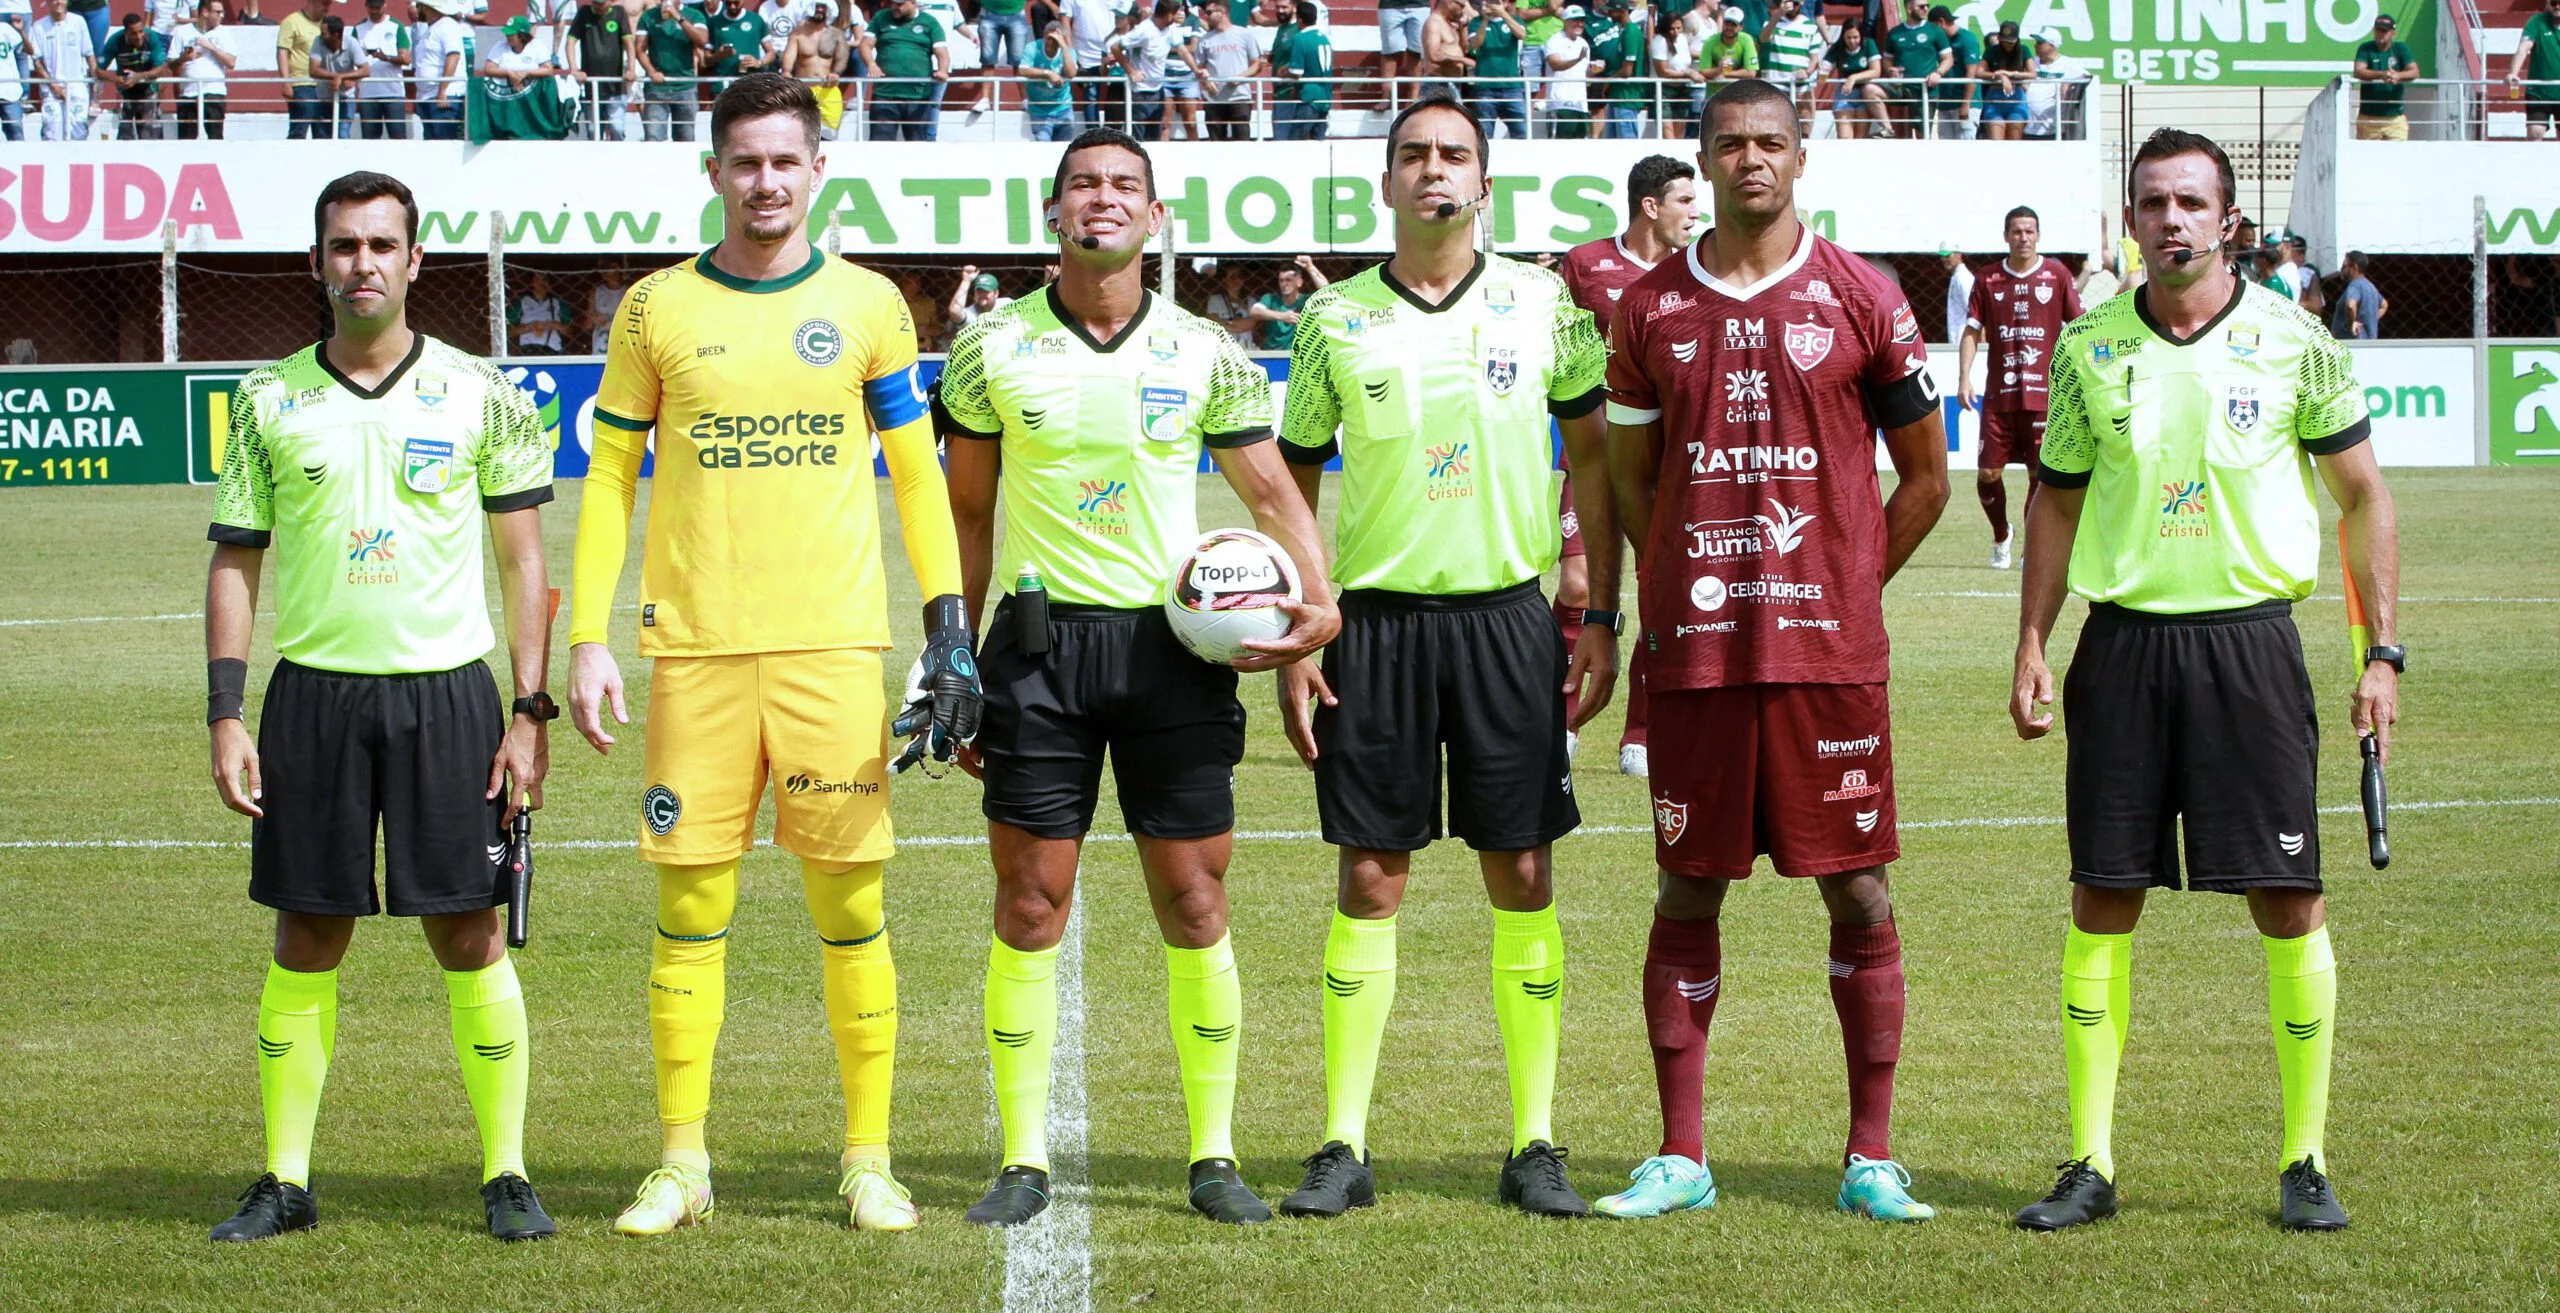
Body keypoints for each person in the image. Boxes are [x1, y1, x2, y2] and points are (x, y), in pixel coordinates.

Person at [570, 73, 972, 1238]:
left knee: (852, 907)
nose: (764, 181)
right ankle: (683, 1163)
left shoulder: (871, 305)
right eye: (743, 162)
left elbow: (913, 472)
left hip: (832, 650)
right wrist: (587, 635)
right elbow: (605, 476)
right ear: (714, 173)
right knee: (691, 908)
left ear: (816, 170)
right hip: (693, 652)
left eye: (783, 162)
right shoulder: (653, 309)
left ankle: (869, 1160)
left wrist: (948, 624)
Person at [938, 126, 1338, 1230]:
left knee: (1196, 899)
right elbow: (965, 511)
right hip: (1038, 654)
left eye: (1124, 187)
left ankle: (1212, 1153)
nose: (1101, 200)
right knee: (1028, 904)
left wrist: (1322, 600)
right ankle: (1022, 1157)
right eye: (1082, 186)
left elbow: (1270, 498)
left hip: (1177, 653)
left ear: (1155, 219)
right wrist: (953, 648)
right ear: (1053, 213)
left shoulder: (1207, 349)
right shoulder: (989, 347)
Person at [2009, 126, 2400, 1236]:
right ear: (2127, 221)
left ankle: (2305, 1158)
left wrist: (2379, 649)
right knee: (2102, 891)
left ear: (2226, 220)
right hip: (2122, 645)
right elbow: (2056, 498)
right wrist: (2032, 640)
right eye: (2150, 203)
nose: (2169, 220)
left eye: (2190, 203)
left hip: (2250, 649)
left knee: (2289, 897)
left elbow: (2363, 495)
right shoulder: (2085, 347)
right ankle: (2087, 1159)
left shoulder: (2297, 340)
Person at [1596, 76, 1949, 1223]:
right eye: (1729, 144)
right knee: (1686, 879)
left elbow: (1928, 477)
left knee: (1855, 886)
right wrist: (1679, 591)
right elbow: (1631, 481)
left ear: (1802, 157)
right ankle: (1681, 1154)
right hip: (1698, 653)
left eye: (1770, 143)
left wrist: (1843, 586)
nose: (1751, 161)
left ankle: (1871, 1155)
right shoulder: (1649, 307)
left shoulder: (1863, 295)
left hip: (1826, 657)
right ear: (1701, 161)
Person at [1273, 92, 1616, 1222]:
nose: (1433, 172)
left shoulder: (1544, 302)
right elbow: (1293, 480)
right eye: (1412, 155)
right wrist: (1300, 623)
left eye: (1454, 156)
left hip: (1508, 621)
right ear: (1385, 182)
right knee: (1371, 873)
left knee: (1520, 869)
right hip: (1370, 625)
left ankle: (1534, 1141)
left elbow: (1597, 461)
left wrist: (1599, 606)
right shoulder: (1334, 322)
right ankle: (1342, 1141)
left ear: (1484, 182)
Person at [205, 169, 560, 1245]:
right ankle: (285, 1177)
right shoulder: (267, 398)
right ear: (315, 261)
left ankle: (505, 1171)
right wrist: (226, 710)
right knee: (307, 929)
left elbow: (525, 559)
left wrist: (528, 709)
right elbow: (236, 562)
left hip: (450, 696)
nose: (362, 262)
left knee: (469, 927)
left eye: (381, 244)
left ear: (416, 261)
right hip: (312, 696)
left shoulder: (481, 391)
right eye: (343, 245)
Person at [1559, 154, 1694, 779]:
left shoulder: (1695, 273)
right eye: (1684, 203)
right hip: (1594, 453)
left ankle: (1639, 731)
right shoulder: (1585, 265)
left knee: (1659, 589)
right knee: (1578, 587)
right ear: (1651, 207)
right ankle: (1563, 721)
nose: (1694, 215)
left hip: (1665, 461)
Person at [1958, 205, 2079, 570]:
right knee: (1987, 475)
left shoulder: (2056, 274)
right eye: (2016, 231)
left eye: (2029, 231)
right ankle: (2001, 535)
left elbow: (2078, 327)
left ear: (2038, 235)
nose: (2023, 238)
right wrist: (1964, 377)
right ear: (2006, 236)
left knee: (2037, 477)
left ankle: (2031, 550)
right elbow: (1972, 331)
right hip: (2000, 395)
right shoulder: (1989, 278)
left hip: (2045, 397)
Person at [862, 0, 946, 139]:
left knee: (918, 148)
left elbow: (942, 51)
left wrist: (943, 70)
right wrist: (871, 64)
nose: (895, 7)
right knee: (880, 147)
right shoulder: (881, 17)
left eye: (900, 4)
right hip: (885, 95)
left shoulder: (929, 22)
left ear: (913, 2)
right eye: (893, 3)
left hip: (918, 97)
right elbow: (865, 45)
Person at [636, 0, 708, 141]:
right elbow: (640, 49)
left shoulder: (694, 15)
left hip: (685, 86)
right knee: (653, 137)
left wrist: (678, 17)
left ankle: (684, 164)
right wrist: (651, 72)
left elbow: (702, 40)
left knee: (685, 138)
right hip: (657, 87)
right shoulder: (648, 16)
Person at [28, 0, 94, 141]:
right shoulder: (39, 26)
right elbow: (37, 61)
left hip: (77, 87)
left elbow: (89, 54)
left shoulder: (78, 22)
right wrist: (54, 86)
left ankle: (78, 163)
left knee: (78, 134)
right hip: (51, 89)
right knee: (52, 134)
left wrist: (96, 92)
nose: (58, 2)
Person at [2347, 12, 2416, 141]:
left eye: (2384, 31)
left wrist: (2398, 75)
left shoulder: (2400, 48)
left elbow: (2414, 71)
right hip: (2369, 117)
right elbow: (2359, 71)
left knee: (2398, 157)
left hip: (2395, 117)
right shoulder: (2366, 48)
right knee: (2369, 158)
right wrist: (2382, 75)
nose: (2380, 34)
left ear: (2392, 33)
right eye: (2378, 30)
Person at [568, 0, 632, 139]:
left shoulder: (619, 13)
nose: (598, 6)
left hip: (616, 85)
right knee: (593, 131)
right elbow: (571, 41)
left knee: (617, 128)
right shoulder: (584, 13)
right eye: (596, 3)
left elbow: (629, 43)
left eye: (601, 3)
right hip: (592, 86)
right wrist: (574, 69)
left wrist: (631, 69)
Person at [1879, 0, 1943, 138]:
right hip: (1901, 86)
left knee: (1922, 134)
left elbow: (1948, 58)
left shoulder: (1935, 30)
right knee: (1870, 90)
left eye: (1927, 6)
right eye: (1921, 6)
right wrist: (1891, 70)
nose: (1925, 9)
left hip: (1926, 90)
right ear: (1909, 8)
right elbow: (1887, 59)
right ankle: (1887, 128)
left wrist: (1938, 73)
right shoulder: (1895, 33)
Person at [99, 9, 167, 139]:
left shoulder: (151, 37)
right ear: (126, 33)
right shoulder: (115, 40)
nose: (139, 36)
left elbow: (161, 69)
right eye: (134, 34)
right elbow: (99, 70)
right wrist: (115, 78)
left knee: (149, 139)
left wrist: (138, 77)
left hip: (149, 92)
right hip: (127, 94)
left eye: (141, 31)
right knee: (125, 139)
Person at [1195, 0, 1256, 139]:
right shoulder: (1205, 40)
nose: (1206, 16)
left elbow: (1257, 64)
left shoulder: (1244, 34)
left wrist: (1239, 77)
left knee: (1242, 142)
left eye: (1209, 12)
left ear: (1222, 12)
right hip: (1214, 99)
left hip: (1239, 97)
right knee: (1216, 145)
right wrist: (1205, 80)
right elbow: (1199, 67)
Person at [167, 0, 229, 137]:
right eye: (218, 12)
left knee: (216, 137)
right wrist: (184, 57)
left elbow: (231, 62)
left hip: (214, 91)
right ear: (205, 12)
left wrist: (211, 47)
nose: (222, 16)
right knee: (186, 139)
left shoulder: (224, 32)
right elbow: (170, 64)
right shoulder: (181, 32)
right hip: (188, 92)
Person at [410, 0, 468, 138]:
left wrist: (443, 90)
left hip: (443, 96)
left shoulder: (447, 25)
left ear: (427, 8)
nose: (417, 10)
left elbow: (453, 56)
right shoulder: (431, 29)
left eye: (419, 6)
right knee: (433, 145)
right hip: (428, 96)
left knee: (444, 142)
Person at [351, 0, 406, 137]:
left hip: (393, 92)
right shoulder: (358, 28)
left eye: (377, 7)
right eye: (371, 7)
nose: (374, 11)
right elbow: (351, 58)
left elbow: (406, 58)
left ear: (384, 5)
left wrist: (386, 57)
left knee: (399, 138)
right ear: (366, 6)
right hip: (367, 93)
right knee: (370, 140)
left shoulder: (396, 26)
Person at [1825, 16, 1885, 138]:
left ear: (1861, 36)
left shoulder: (1869, 44)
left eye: (1855, 37)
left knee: (1860, 139)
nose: (1852, 41)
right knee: (1845, 138)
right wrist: (1822, 70)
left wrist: (1853, 78)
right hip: (1844, 94)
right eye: (1848, 38)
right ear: (1843, 37)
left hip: (1864, 94)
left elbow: (1876, 71)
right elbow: (1824, 68)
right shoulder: (1838, 47)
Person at [1756, 0, 1814, 128]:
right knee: (1776, 124)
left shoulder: (1811, 26)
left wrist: (1807, 72)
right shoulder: (1773, 22)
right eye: (1788, 2)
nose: (1792, 6)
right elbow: (1763, 38)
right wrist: (1778, 15)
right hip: (1777, 82)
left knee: (1805, 122)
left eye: (1795, 3)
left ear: (1802, 3)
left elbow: (1815, 57)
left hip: (1801, 84)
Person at [2508, 0, 2559, 141]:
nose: (2557, 7)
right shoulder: (2537, 21)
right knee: (2535, 132)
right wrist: (2513, 73)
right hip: (2539, 91)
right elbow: (2524, 48)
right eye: (2554, 3)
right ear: (2547, 4)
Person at [1249, 255, 1324, 350]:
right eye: (1281, 281)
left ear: (1299, 282)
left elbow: (1327, 292)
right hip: (1272, 354)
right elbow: (1255, 311)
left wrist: (1310, 267)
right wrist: (1283, 316)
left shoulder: (1305, 300)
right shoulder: (1271, 299)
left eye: (1289, 280)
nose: (1284, 284)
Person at [2022, 27, 2084, 140]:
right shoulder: (2031, 62)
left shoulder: (2067, 64)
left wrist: (2069, 84)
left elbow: (2086, 77)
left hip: (2053, 128)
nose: (2036, 45)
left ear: (2052, 45)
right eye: (2036, 42)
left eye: (2040, 43)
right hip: (2027, 127)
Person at [1924, 2, 1974, 137]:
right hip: (1945, 103)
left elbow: (1972, 73)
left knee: (1965, 149)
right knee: (1945, 150)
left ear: (1941, 22)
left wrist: (1966, 104)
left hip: (1963, 104)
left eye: (1933, 26)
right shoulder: (1940, 42)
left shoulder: (1967, 39)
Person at [1019, 15, 1073, 139]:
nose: (1050, 42)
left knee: (1064, 149)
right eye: (1048, 38)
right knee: (1042, 145)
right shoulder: (1032, 47)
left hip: (1063, 108)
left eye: (1054, 39)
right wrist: (1048, 73)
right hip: (1039, 110)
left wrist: (1064, 46)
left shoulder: (1067, 51)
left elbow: (1071, 73)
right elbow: (1022, 70)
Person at [276, 0, 324, 136]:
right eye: (324, 3)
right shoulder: (291, 22)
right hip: (301, 83)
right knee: (299, 129)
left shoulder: (327, 24)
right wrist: (285, 81)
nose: (327, 8)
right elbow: (282, 52)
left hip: (323, 85)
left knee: (323, 131)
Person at [1282, 1, 1328, 138]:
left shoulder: (1300, 38)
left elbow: (1297, 72)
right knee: (1318, 144)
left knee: (1296, 142)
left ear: (1300, 20)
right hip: (1325, 96)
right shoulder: (1324, 38)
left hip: (1309, 97)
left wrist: (1284, 72)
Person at [1975, 19, 2028, 139]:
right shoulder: (1992, 50)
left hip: (2016, 98)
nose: (2007, 45)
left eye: (2010, 42)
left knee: (2014, 138)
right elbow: (1979, 72)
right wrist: (1999, 76)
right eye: (2004, 41)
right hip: (1995, 98)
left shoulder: (2023, 50)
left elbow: (2032, 74)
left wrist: (2009, 73)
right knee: (1996, 141)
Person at [1648, 5, 1696, 138]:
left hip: (1682, 89)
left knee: (1680, 132)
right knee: (1668, 133)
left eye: (1678, 28)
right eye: (1672, 28)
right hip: (1663, 90)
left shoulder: (1682, 39)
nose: (1675, 32)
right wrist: (1688, 74)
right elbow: (1662, 71)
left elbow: (1684, 63)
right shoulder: (1659, 41)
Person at [1540, 3, 1586, 136]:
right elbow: (1555, 64)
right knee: (1558, 148)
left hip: (1581, 104)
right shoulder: (1554, 41)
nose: (1579, 24)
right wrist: (1577, 60)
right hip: (1560, 104)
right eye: (1575, 20)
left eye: (1582, 20)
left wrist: (1594, 70)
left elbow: (1584, 73)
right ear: (1565, 21)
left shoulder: (1583, 43)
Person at [311, 14, 362, 134]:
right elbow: (313, 69)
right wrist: (336, 77)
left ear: (336, 35)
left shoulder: (351, 42)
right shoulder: (318, 41)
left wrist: (341, 77)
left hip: (346, 98)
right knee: (321, 139)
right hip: (322, 97)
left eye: (324, 33)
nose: (321, 35)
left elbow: (365, 69)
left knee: (342, 135)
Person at [509, 270, 572, 356]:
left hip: (553, 349)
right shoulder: (522, 302)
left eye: (545, 280)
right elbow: (510, 332)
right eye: (538, 279)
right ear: (531, 283)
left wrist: (556, 325)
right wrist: (529, 326)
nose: (542, 283)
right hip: (527, 350)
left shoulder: (558, 303)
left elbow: (570, 332)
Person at [1379, 0, 1425, 105]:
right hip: (1390, 5)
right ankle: (1386, 96)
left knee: (1416, 51)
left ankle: (1414, 97)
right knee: (1389, 51)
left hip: (1420, 5)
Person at [2333, 250, 2382, 340]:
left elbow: (2350, 305)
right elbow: (2384, 305)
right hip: (2369, 342)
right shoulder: (2370, 287)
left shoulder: (2354, 286)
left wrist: (2351, 325)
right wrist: (2370, 320)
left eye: (2345, 266)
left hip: (2351, 343)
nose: (2341, 269)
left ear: (2354, 268)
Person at [0, 12, 31, 142]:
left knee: (17, 137)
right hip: (8, 90)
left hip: (9, 90)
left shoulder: (4, 28)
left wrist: (21, 31)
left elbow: (28, 51)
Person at [947, 266, 1012, 327]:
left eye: (986, 291)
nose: (982, 295)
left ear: (996, 293)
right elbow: (954, 311)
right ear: (975, 293)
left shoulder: (1006, 304)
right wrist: (966, 280)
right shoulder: (971, 313)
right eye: (979, 291)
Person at [586, 260, 628, 353]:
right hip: (601, 346)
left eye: (609, 268)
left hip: (623, 344)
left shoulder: (629, 291)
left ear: (618, 268)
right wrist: (593, 317)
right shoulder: (596, 292)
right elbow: (587, 325)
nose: (605, 272)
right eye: (603, 269)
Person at [1940, 244, 1971, 345]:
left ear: (1958, 255)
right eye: (1942, 256)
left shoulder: (1962, 278)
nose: (1944, 259)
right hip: (1958, 339)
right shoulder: (1957, 277)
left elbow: (1974, 310)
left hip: (1963, 339)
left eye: (1948, 255)